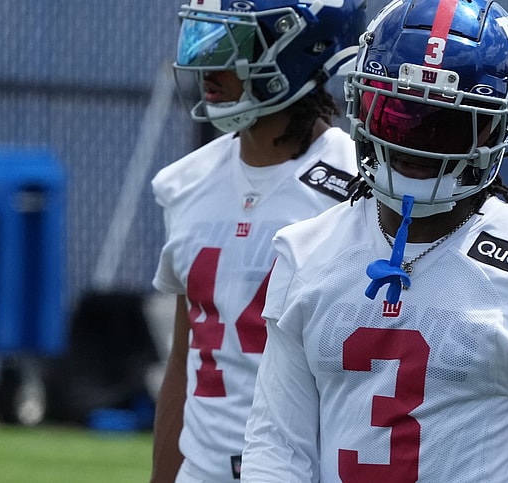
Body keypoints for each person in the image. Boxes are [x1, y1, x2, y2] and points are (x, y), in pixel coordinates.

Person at [241, 0, 508, 481]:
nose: (416, 141)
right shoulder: (305, 250)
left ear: (496, 129)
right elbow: (277, 449)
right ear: (362, 106)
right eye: (398, 114)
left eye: (447, 124)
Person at [149, 1, 367, 482]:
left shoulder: (359, 189)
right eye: (204, 37)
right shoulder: (185, 184)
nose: (207, 62)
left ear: (298, 49)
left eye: (234, 42)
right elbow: (184, 359)